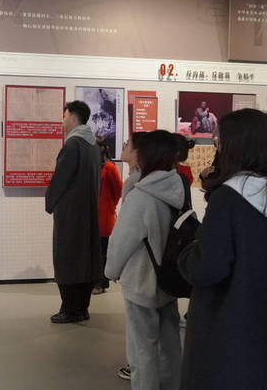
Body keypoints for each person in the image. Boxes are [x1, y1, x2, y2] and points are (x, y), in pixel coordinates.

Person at [178, 108, 267, 389]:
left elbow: (208, 268)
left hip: (228, 327)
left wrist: (186, 254)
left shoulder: (228, 198)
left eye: (220, 141)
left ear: (236, 146)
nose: (218, 147)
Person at [106, 130, 184, 390]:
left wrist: (111, 270)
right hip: (169, 278)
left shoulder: (141, 196)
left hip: (141, 280)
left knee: (142, 349)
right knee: (170, 344)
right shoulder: (176, 188)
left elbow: (122, 241)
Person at [45, 101, 102, 323]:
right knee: (85, 258)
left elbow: (61, 179)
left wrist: (50, 202)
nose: (62, 121)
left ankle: (70, 309)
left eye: (64, 116)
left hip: (70, 212)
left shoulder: (72, 144)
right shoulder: (93, 146)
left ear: (73, 116)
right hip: (88, 210)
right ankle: (81, 307)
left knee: (67, 257)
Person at [115, 130, 148, 382]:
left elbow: (127, 231)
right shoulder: (145, 180)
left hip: (138, 263)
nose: (124, 146)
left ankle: (138, 369)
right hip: (149, 262)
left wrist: (113, 267)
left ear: (138, 153)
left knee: (139, 325)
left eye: (128, 144)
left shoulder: (135, 183)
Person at [92, 139, 122, 295]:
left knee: (102, 252)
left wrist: (110, 206)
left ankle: (101, 283)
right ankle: (95, 282)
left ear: (103, 148)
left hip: (105, 216)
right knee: (95, 251)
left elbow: (118, 190)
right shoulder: (94, 166)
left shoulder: (109, 167)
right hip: (93, 216)